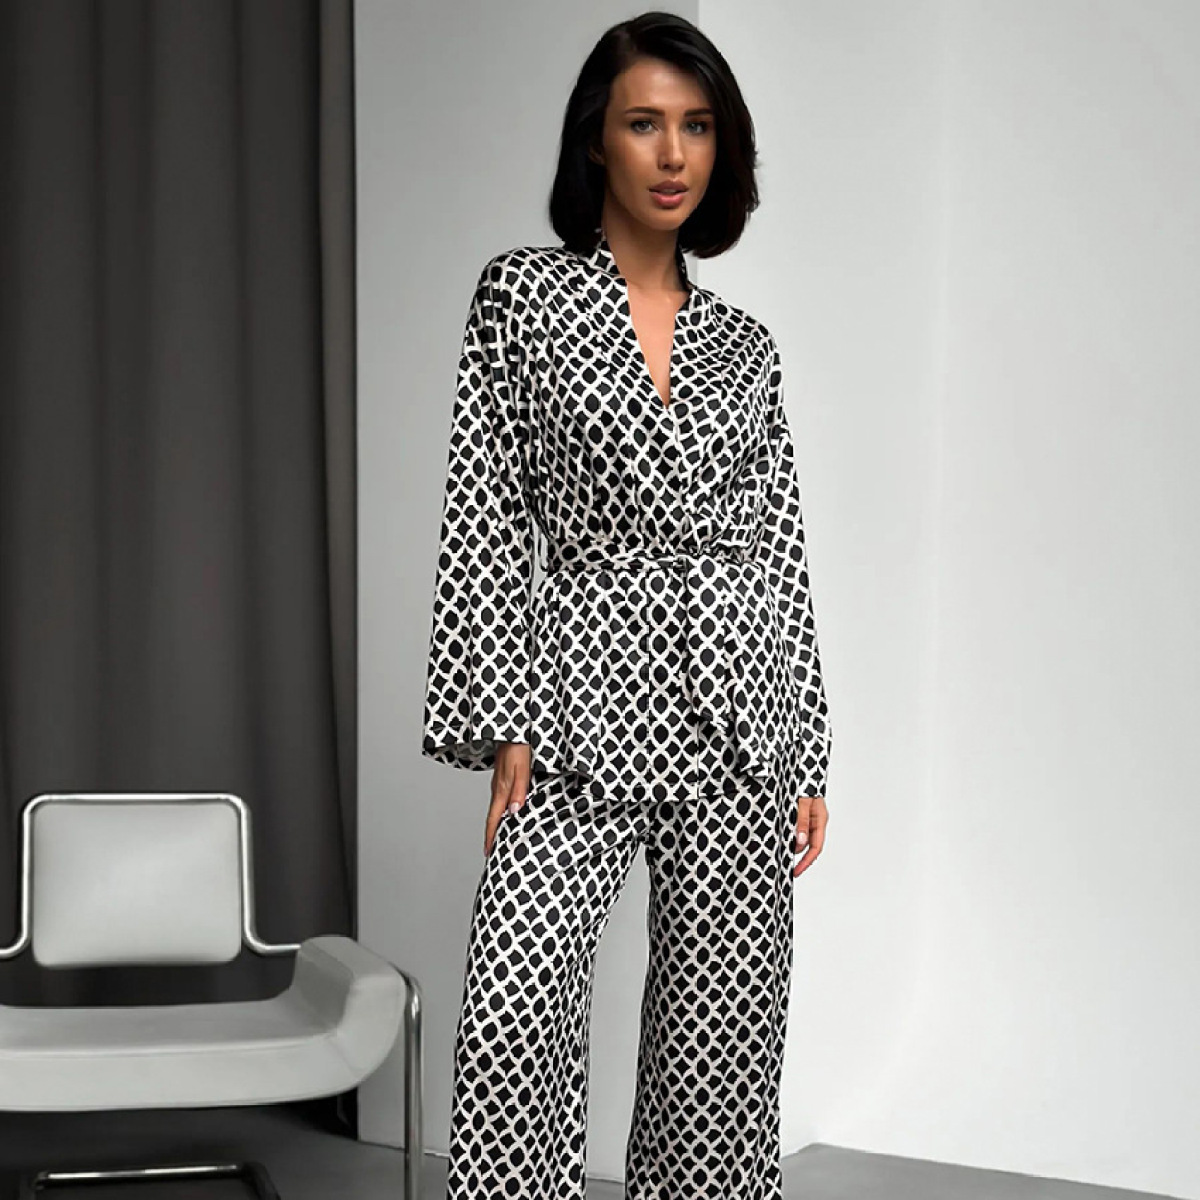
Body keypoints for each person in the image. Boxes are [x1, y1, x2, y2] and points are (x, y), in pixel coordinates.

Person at [420, 11, 833, 1198]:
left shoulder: (746, 347)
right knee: (517, 998)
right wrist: (504, 716)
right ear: (595, 140)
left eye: (696, 127)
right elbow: (486, 512)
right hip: (576, 696)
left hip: (737, 709)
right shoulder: (522, 298)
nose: (672, 154)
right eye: (644, 123)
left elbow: (778, 549)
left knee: (721, 1044)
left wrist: (805, 750)